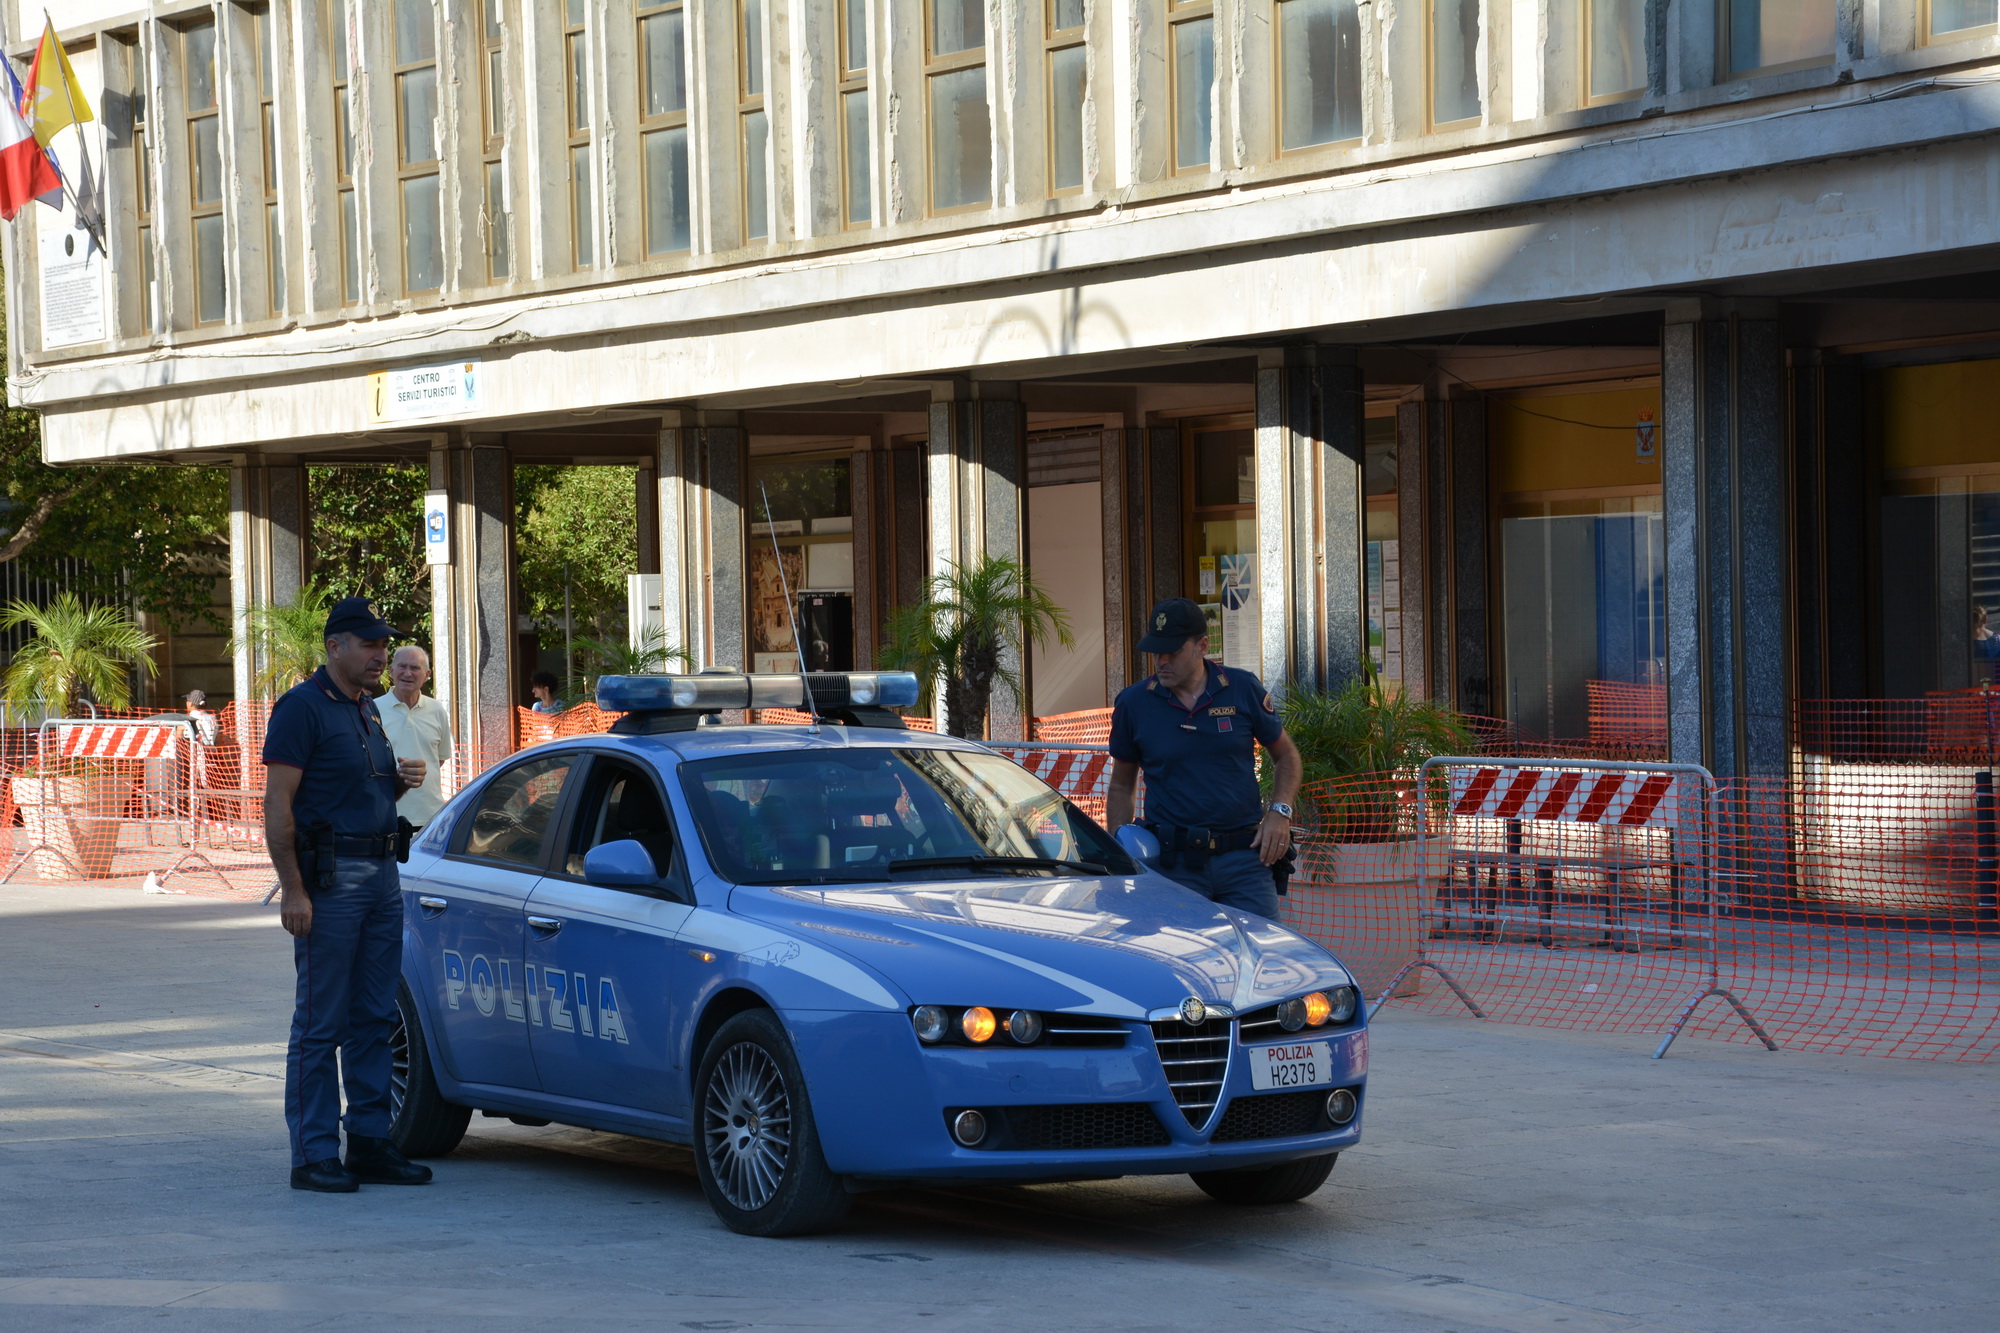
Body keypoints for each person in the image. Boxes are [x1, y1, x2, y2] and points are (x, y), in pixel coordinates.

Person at [264, 597, 431, 1194]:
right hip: (331, 885)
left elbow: (356, 785)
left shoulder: (366, 709)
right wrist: (292, 890)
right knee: (321, 1021)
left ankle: (367, 1141)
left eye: (384, 646)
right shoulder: (301, 708)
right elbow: (278, 804)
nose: (381, 656)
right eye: (369, 645)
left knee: (375, 1016)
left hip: (383, 878)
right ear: (335, 646)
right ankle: (312, 1155)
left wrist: (399, 777)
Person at [1105, 597, 1303, 920]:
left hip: (1245, 863)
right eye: (1157, 651)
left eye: (1173, 650)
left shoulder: (1242, 689)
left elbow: (1287, 757)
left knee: (1264, 961)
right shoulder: (1133, 704)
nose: (1162, 660)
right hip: (1173, 867)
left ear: (1202, 646)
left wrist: (1279, 812)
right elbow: (1120, 786)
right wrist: (1120, 847)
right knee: (1179, 962)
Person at [374, 644, 453, 831]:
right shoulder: (372, 710)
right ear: (391, 671)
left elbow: (438, 760)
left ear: (427, 674)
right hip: (386, 816)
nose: (407, 673)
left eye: (415, 668)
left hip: (431, 818)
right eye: (402, 666)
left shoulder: (437, 710)